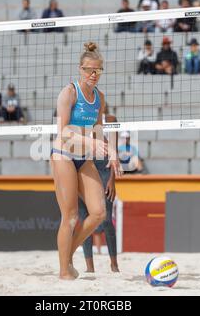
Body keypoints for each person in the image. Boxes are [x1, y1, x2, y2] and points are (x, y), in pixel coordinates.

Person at [50, 42, 122, 280]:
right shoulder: (69, 92)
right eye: (89, 70)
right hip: (64, 155)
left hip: (84, 157)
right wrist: (91, 143)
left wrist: (112, 154)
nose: (93, 74)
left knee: (100, 213)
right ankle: (64, 271)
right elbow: (63, 132)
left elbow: (98, 129)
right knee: (70, 216)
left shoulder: (99, 97)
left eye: (97, 70)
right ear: (80, 69)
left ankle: (68, 253)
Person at [78, 104, 120, 273]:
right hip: (83, 170)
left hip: (104, 170)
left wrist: (112, 180)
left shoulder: (110, 120)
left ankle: (114, 264)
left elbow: (114, 152)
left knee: (107, 220)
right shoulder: (80, 121)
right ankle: (90, 267)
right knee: (84, 220)